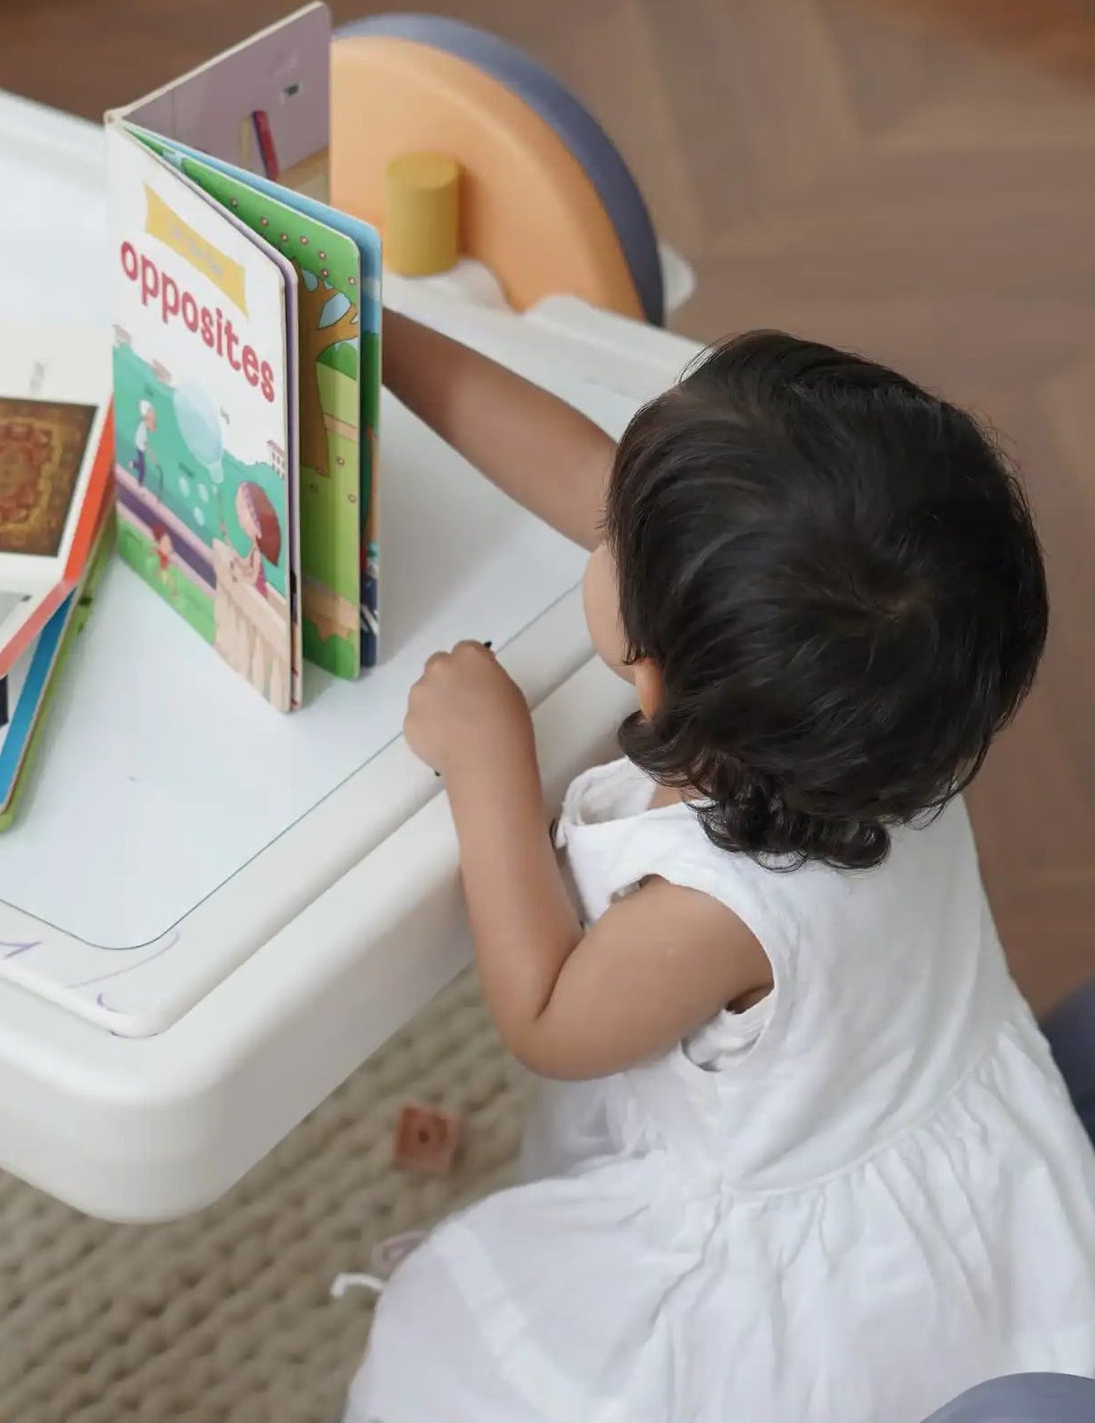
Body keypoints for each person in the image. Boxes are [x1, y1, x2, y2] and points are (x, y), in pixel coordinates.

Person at [345, 318, 1095, 1423]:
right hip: (942, 1162)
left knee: (461, 1363)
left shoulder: (714, 911)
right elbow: (593, 483)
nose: (599, 525)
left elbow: (549, 1012)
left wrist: (487, 762)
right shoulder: (877, 710)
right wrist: (369, 332)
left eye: (614, 545)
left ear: (650, 673)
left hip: (805, 1281)